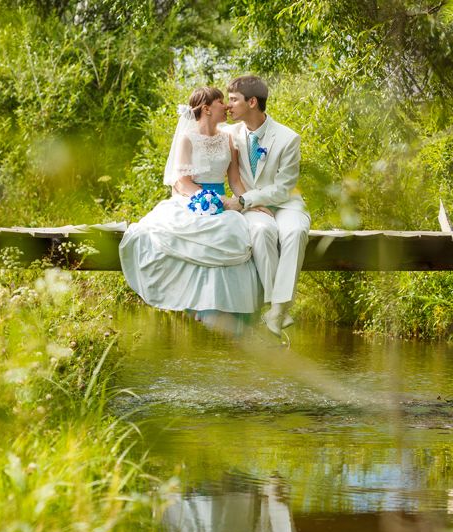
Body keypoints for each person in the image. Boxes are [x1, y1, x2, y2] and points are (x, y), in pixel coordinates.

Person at [119, 86, 269, 333]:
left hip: (220, 201)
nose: (226, 106)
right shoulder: (187, 139)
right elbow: (184, 182)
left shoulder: (228, 139)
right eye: (221, 102)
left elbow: (234, 182)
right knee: (191, 230)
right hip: (192, 198)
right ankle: (197, 304)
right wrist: (204, 199)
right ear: (207, 108)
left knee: (232, 232)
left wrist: (251, 202)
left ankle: (226, 306)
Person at [224, 75, 310, 337]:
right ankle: (275, 305)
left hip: (285, 204)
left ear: (252, 102)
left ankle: (278, 310)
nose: (228, 106)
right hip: (253, 207)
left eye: (234, 100)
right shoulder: (229, 134)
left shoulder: (287, 138)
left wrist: (244, 201)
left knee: (295, 232)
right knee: (262, 232)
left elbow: (283, 189)